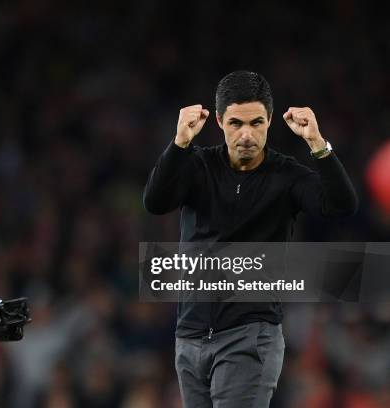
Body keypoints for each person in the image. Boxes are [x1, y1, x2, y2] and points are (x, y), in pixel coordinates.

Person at [143, 71, 357, 407]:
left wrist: (318, 143)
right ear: (218, 121)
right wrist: (180, 143)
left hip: (249, 337)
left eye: (256, 123)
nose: (246, 134)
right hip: (190, 337)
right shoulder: (198, 166)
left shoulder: (287, 175)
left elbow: (342, 205)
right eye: (235, 123)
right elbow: (155, 203)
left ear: (270, 120)